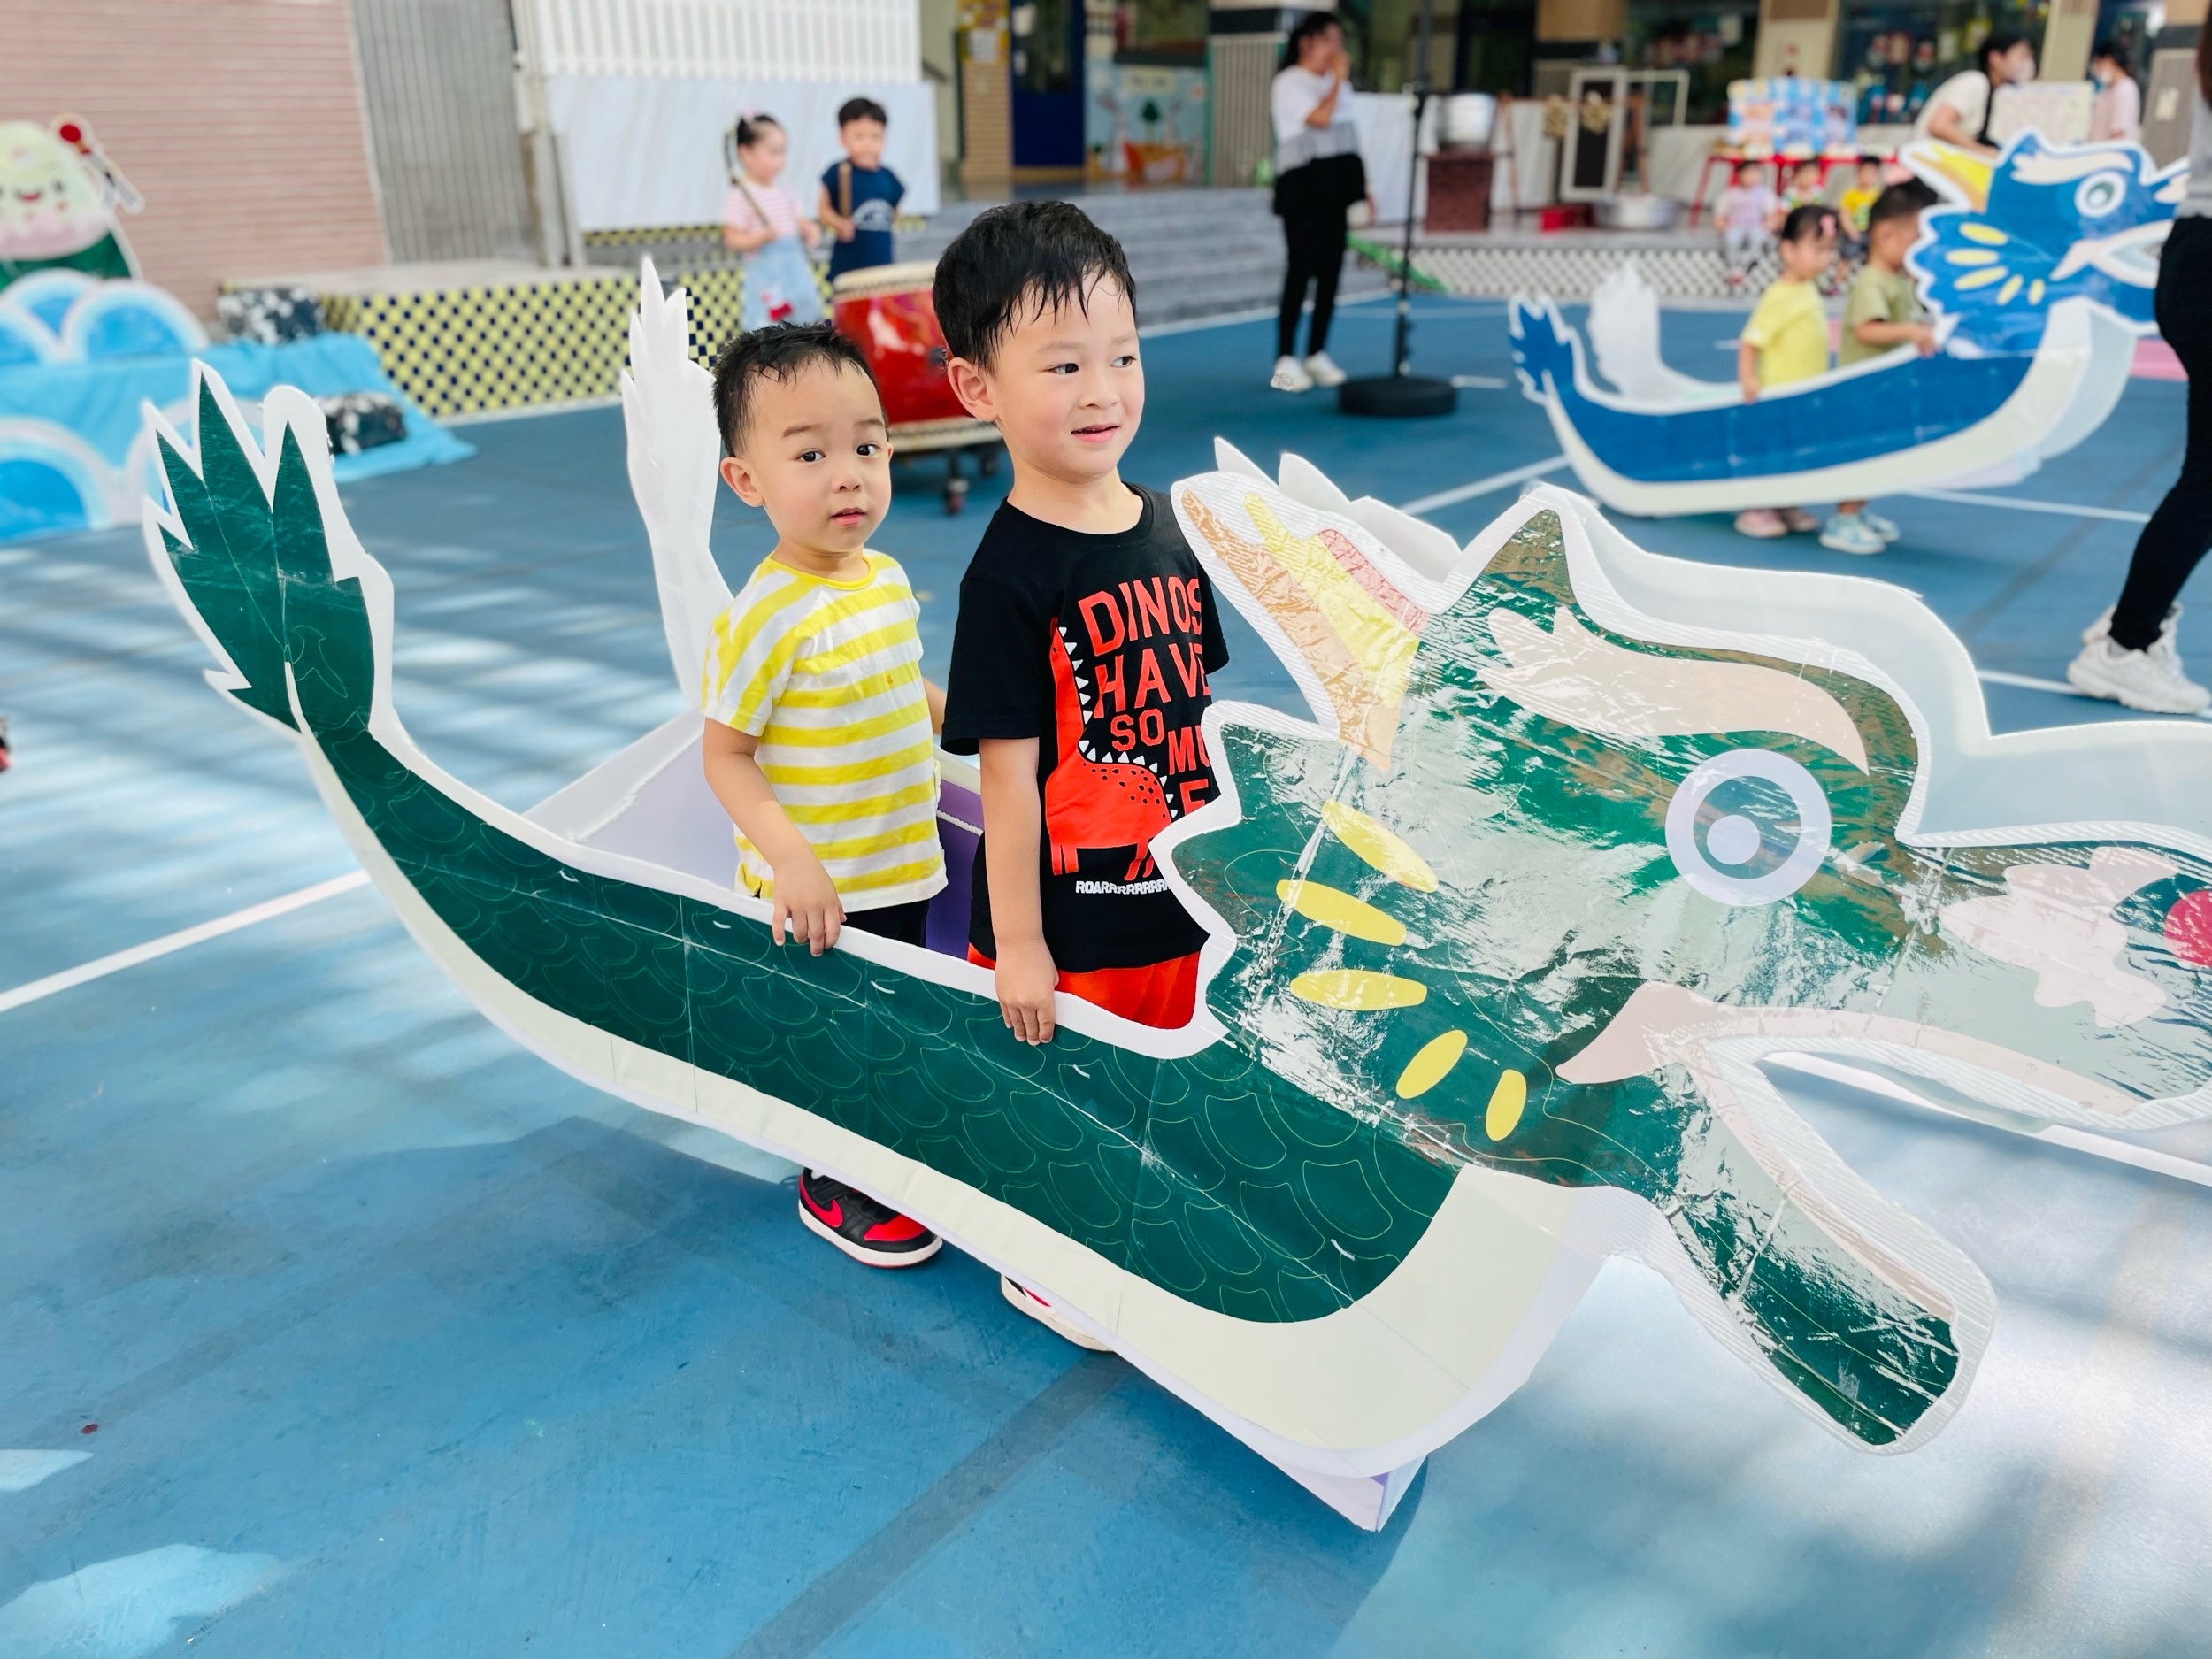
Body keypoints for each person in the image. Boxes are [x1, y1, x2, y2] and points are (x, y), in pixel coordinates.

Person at [933, 202, 1230, 1347]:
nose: (1103, 390)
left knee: (1157, 1097)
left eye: (1123, 356)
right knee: (1066, 1108)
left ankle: (1136, 1224)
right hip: (1069, 929)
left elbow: (1194, 714)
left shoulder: (1167, 525)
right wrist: (1019, 943)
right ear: (977, 388)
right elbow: (1007, 784)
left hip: (1177, 900)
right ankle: (1044, 1256)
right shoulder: (1006, 580)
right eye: (1063, 365)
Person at [698, 319, 948, 1267]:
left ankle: (887, 1140)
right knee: (834, 1032)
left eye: (866, 447)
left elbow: (903, 684)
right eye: (810, 454)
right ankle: (832, 1174)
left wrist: (968, 723)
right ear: (746, 480)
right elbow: (725, 755)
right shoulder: (765, 616)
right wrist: (791, 858)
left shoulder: (884, 578)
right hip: (821, 884)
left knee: (889, 1016)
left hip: (901, 862)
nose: (848, 476)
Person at [2068, 34, 2212, 714]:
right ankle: (2127, 643)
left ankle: (2133, 619)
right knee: (2208, 481)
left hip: (2194, 250)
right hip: (2206, 261)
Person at [1824, 182, 1941, 555]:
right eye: (1916, 239)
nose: (1921, 248)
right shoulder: (1872, 282)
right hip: (1862, 391)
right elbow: (1866, 329)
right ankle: (1843, 517)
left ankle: (1858, 510)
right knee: (1861, 455)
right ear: (1886, 234)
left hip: (1883, 389)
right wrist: (1911, 331)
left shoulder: (1897, 280)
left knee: (1876, 456)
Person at [1268, 12, 1365, 393]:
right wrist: (1337, 80)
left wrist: (1368, 188)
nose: (1336, 49)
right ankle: (1284, 361)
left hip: (1335, 188)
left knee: (1331, 272)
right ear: (1306, 41)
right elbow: (1320, 118)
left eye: (1339, 41)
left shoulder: (1339, 86)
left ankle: (1316, 352)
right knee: (1301, 268)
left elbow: (1349, 135)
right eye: (1329, 40)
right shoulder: (1289, 82)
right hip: (1304, 188)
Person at [1734, 204, 1839, 540]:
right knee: (1773, 449)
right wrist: (1748, 377)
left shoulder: (1807, 289)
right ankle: (1756, 507)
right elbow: (1751, 340)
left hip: (1803, 395)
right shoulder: (1779, 296)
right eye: (1818, 249)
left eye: (1830, 250)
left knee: (1796, 450)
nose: (1826, 258)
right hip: (1779, 394)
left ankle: (1784, 502)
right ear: (1789, 251)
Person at [721, 112, 823, 330]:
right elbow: (732, 238)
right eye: (773, 152)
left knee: (804, 322)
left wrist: (808, 228)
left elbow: (797, 219)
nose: (781, 160)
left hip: (794, 269)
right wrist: (759, 238)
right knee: (769, 326)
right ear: (746, 154)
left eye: (783, 152)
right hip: (766, 276)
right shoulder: (742, 194)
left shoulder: (784, 190)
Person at [818, 96, 904, 284]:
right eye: (858, 137)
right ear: (842, 138)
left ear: (884, 139)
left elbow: (894, 211)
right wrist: (838, 224)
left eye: (875, 137)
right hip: (848, 267)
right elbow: (823, 209)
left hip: (883, 265)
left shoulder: (889, 177)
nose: (867, 144)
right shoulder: (838, 172)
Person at [1914, 31, 2036, 157]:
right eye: (2023, 56)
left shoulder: (1997, 96)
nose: (2028, 64)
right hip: (1925, 162)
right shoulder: (1976, 82)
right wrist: (1982, 151)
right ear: (1996, 58)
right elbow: (1939, 125)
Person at [1716, 159, 1782, 291]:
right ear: (1740, 174)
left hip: (1756, 226)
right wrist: (1724, 226)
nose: (1752, 176)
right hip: (1736, 226)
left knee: (1758, 239)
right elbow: (1720, 217)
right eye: (1748, 173)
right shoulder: (1729, 194)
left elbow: (1772, 216)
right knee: (1732, 239)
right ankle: (1733, 267)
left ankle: (1744, 268)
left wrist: (1768, 226)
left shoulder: (1765, 194)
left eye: (1756, 173)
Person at [2090, 41, 2143, 144]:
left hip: (2111, 151)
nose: (2097, 72)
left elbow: (2119, 131)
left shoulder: (2125, 89)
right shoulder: (2106, 91)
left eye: (2098, 65)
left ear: (2109, 62)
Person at [1838, 156, 1885, 265]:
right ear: (1858, 174)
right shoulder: (1850, 195)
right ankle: (1840, 274)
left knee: (1874, 257)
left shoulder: (1878, 196)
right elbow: (1844, 214)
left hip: (1871, 233)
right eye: (1865, 173)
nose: (1868, 177)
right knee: (1847, 256)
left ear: (1877, 176)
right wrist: (1850, 229)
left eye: (1872, 174)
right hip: (1854, 231)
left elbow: (1881, 216)